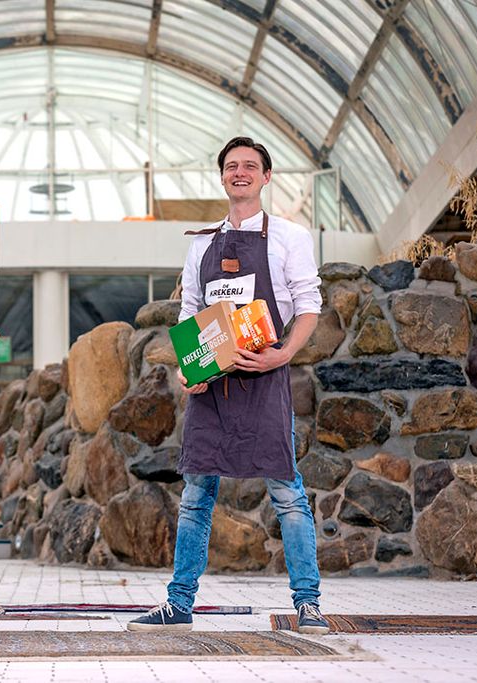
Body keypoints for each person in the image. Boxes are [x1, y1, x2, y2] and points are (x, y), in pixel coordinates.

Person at [128, 136, 329, 635]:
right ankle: (178, 604)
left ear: (266, 177)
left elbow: (309, 306)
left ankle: (308, 603)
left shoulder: (289, 237)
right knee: (196, 494)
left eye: (250, 166)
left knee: (287, 493)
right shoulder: (202, 243)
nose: (240, 172)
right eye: (232, 166)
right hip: (212, 387)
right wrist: (188, 368)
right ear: (223, 177)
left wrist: (282, 355)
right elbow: (191, 312)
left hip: (264, 381)